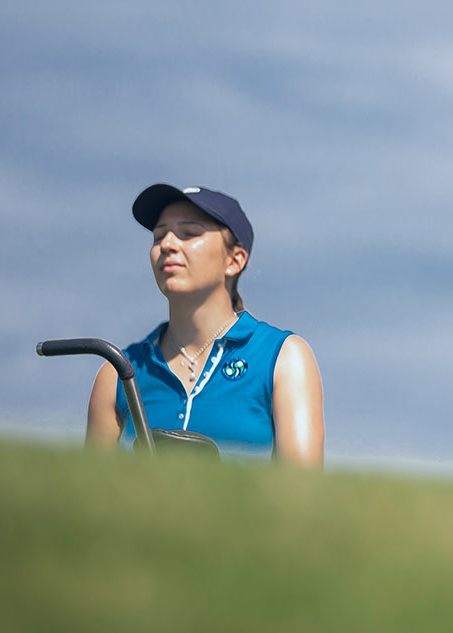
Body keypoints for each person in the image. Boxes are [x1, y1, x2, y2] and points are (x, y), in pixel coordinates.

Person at [85, 184, 324, 466]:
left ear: (234, 261)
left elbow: (301, 493)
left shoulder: (284, 357)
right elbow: (91, 497)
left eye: (190, 233)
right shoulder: (116, 373)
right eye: (159, 236)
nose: (168, 245)